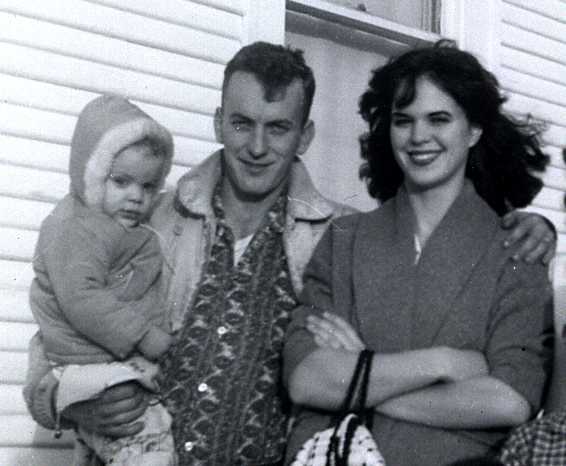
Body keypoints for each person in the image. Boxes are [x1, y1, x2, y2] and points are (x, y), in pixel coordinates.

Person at [24, 42, 555, 466]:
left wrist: (356, 384)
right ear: (217, 123)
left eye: (278, 127)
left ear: (305, 135)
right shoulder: (150, 220)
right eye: (241, 124)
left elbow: (510, 395)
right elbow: (60, 321)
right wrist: (70, 403)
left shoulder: (332, 231)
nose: (257, 147)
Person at [283, 41, 555, 466]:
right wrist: (444, 362)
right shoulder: (345, 237)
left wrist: (360, 380)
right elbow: (306, 379)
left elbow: (509, 400)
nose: (418, 137)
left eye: (439, 119)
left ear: (475, 129)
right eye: (402, 121)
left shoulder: (515, 250)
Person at [29, 95, 176, 464]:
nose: (135, 197)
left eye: (147, 186)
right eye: (121, 181)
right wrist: (145, 336)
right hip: (88, 365)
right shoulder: (74, 228)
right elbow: (81, 297)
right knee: (149, 443)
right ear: (90, 174)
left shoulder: (120, 228)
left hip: (102, 364)